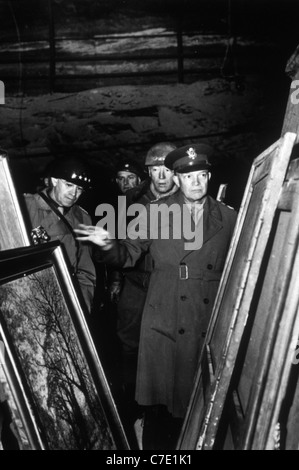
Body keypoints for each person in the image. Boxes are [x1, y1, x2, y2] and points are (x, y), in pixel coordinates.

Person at [74, 143, 237, 449]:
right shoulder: (155, 212)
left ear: (210, 177)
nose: (196, 183)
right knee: (160, 412)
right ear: (176, 179)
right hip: (164, 320)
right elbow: (127, 255)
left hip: (206, 321)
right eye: (189, 177)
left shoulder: (229, 219)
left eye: (202, 175)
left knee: (202, 407)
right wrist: (107, 244)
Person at [108, 142, 178, 447]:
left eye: (167, 169)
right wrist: (115, 281)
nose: (161, 175)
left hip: (168, 286)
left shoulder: (188, 198)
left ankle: (164, 412)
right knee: (129, 342)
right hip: (135, 282)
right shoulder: (130, 201)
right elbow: (118, 247)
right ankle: (132, 405)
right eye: (154, 169)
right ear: (147, 172)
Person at [23, 156, 96, 314]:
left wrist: (82, 307)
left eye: (79, 189)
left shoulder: (82, 218)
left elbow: (85, 269)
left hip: (66, 297)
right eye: (69, 185)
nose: (74, 193)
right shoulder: (26, 206)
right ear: (54, 181)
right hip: (27, 294)